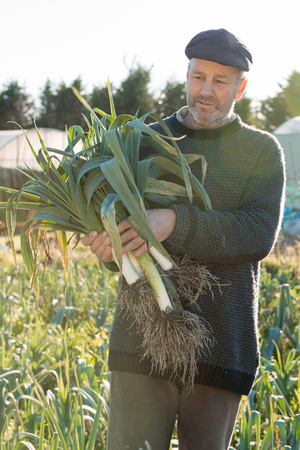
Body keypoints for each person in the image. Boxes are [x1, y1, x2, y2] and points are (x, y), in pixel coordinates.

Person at [82, 28, 286, 450]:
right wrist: (108, 248)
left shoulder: (261, 151)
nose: (205, 90)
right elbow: (123, 231)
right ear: (187, 75)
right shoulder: (142, 140)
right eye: (198, 77)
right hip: (140, 342)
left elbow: (257, 234)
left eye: (220, 80)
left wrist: (175, 221)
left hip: (220, 347)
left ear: (241, 87)